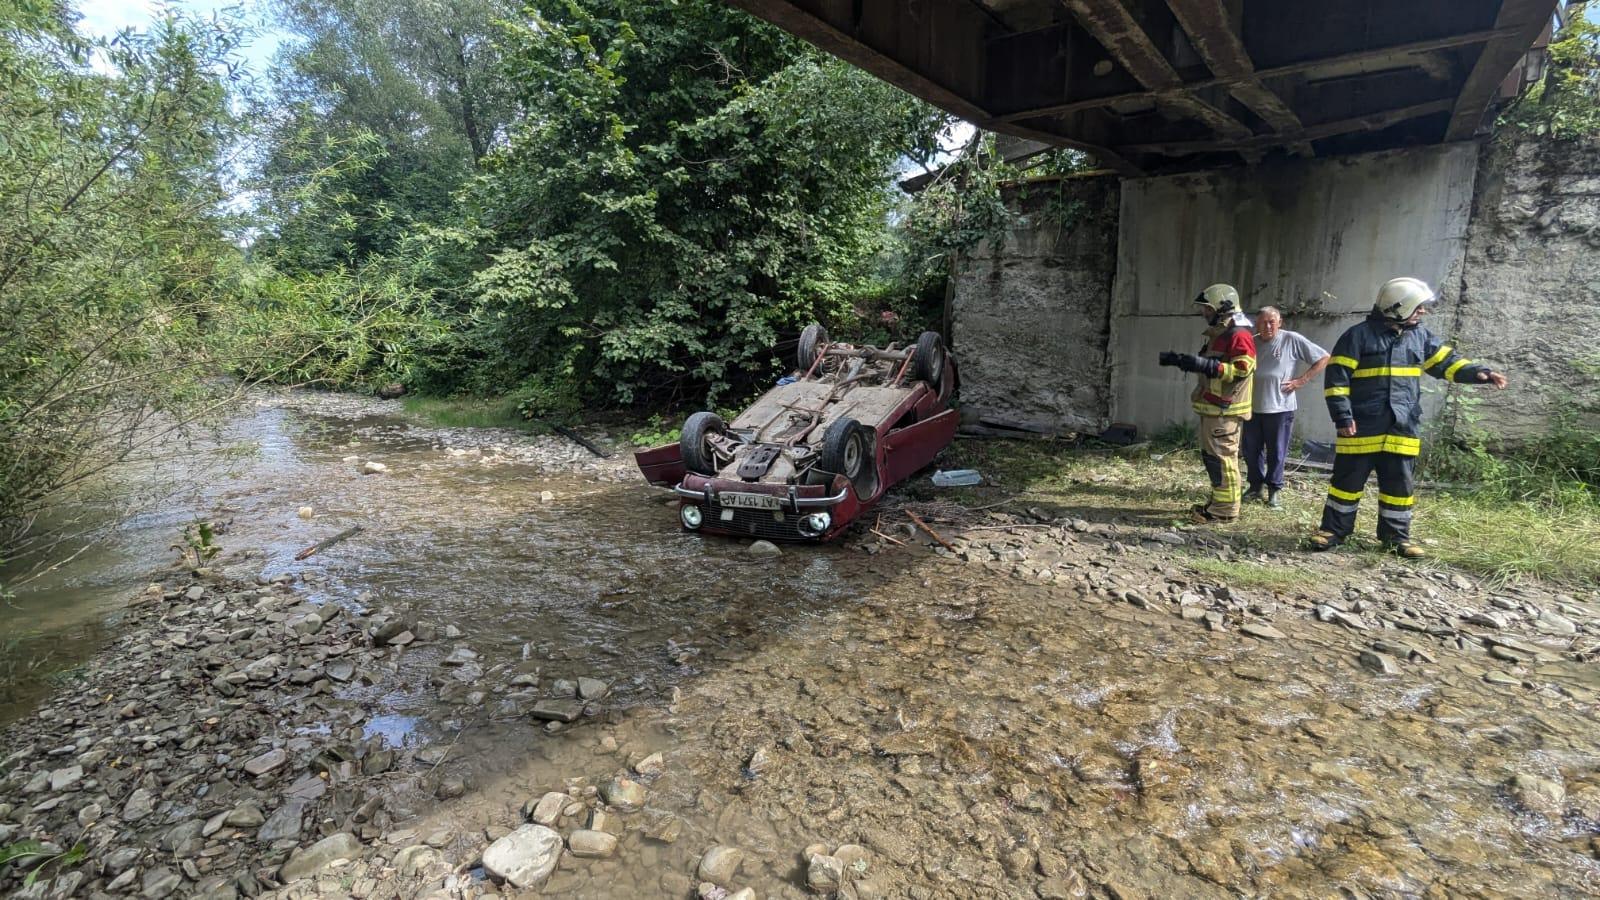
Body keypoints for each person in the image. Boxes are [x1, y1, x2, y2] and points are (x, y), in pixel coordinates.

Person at [1306, 277, 1508, 557]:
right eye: (1418, 307)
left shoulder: (1420, 337)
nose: (1423, 312)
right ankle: (1333, 532)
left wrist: (1478, 373)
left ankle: (1396, 538)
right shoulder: (1357, 336)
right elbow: (1337, 379)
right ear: (1398, 308)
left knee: (1399, 486)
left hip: (1402, 427)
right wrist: (1342, 416)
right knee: (1346, 482)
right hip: (1362, 426)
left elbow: (1447, 363)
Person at [1158, 284, 1257, 523]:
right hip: (1215, 408)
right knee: (1213, 459)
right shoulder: (1222, 334)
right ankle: (1218, 503)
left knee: (1222, 459)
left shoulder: (1238, 335)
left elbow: (1244, 368)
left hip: (1225, 410)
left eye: (1207, 308)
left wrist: (1205, 365)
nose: (1204, 313)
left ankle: (1225, 512)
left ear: (1222, 308)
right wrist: (1187, 362)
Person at [1242, 307, 1330, 508]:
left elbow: (1323, 357)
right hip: (1252, 407)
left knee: (1277, 451)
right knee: (1251, 450)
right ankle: (1255, 486)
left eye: (1272, 321)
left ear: (1280, 322)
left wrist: (1301, 380)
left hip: (1280, 407)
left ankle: (1274, 490)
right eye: (1263, 322)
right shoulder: (1252, 342)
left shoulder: (1291, 339)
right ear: (1257, 323)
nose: (1268, 326)